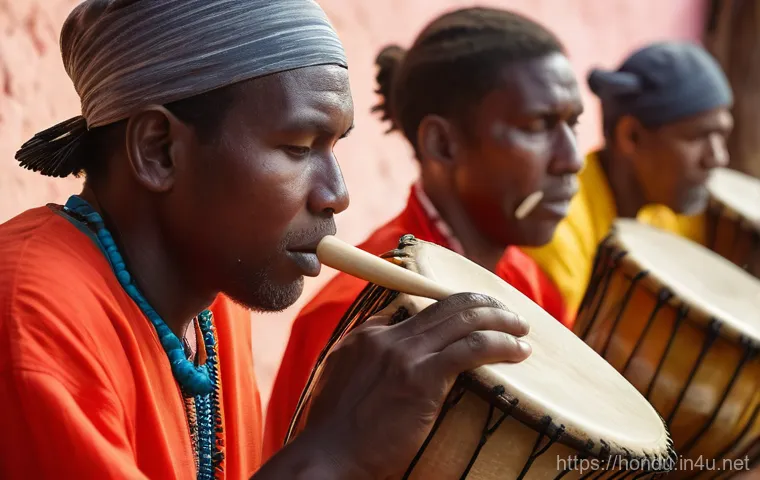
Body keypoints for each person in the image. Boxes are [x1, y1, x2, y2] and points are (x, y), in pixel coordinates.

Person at [0, 1, 532, 479]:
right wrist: (333, 451)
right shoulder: (30, 314)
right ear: (159, 150)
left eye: (334, 147)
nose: (336, 194)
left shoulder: (215, 305)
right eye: (300, 147)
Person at [263, 7, 584, 460]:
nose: (571, 159)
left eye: (574, 124)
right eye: (538, 126)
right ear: (442, 144)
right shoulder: (354, 313)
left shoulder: (527, 281)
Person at [521, 41, 734, 318]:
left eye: (722, 136)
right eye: (697, 137)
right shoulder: (557, 234)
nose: (718, 157)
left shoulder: (671, 211)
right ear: (631, 136)